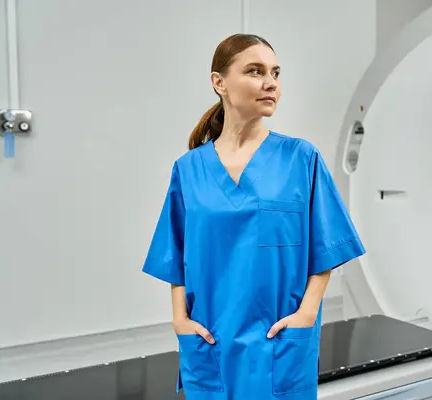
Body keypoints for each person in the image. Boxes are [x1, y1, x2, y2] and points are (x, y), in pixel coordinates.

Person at [142, 33, 366, 400]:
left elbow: (326, 249)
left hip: (278, 342)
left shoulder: (301, 158)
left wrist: (307, 314)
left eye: (275, 73)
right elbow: (174, 256)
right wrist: (179, 319)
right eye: (255, 71)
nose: (270, 83)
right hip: (210, 340)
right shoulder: (189, 169)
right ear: (219, 83)